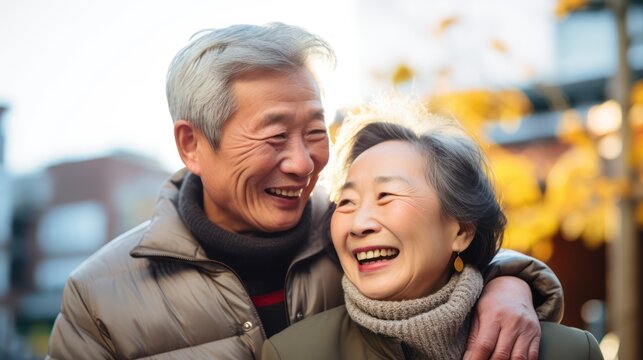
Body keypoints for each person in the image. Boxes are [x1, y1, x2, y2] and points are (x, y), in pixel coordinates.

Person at [47, 23, 563, 360]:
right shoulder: (99, 296)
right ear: (192, 144)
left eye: (316, 131)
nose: (302, 162)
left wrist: (508, 283)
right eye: (273, 136)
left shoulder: (353, 240)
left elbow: (440, 259)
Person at [262, 97, 602, 360]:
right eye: (347, 202)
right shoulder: (292, 353)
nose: (359, 224)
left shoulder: (569, 351)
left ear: (461, 231)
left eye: (386, 196)